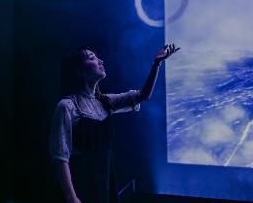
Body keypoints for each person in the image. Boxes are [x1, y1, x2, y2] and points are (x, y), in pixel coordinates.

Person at [49, 44, 180, 203]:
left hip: (104, 181)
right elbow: (60, 157)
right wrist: (72, 198)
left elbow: (142, 95)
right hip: (81, 183)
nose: (100, 61)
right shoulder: (67, 106)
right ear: (79, 71)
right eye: (92, 58)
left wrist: (157, 64)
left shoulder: (104, 102)